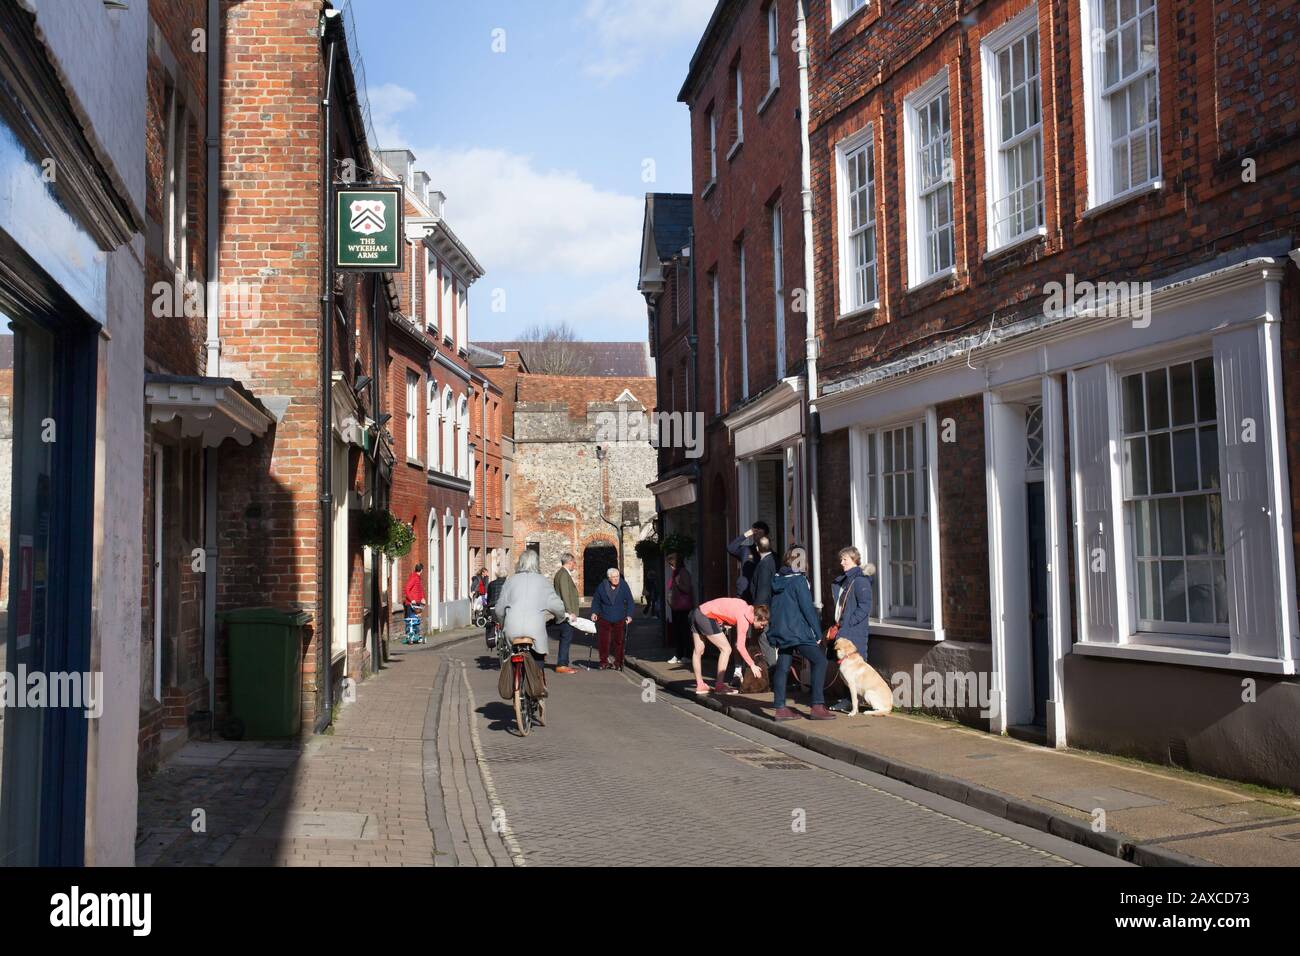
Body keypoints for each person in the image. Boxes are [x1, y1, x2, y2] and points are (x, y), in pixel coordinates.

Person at [494, 550, 572, 707]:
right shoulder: (542, 581)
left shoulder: (510, 581)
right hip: (534, 630)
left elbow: (499, 609)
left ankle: (517, 680)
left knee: (513, 652)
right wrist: (560, 618)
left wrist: (503, 623)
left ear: (519, 563)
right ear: (536, 564)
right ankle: (538, 687)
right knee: (537, 655)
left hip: (512, 629)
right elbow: (557, 606)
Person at [767, 547, 835, 721]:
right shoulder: (799, 580)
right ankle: (817, 706)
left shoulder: (777, 578)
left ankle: (780, 709)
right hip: (797, 631)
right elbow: (807, 608)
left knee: (782, 667)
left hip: (780, 630)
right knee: (820, 660)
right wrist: (818, 632)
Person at [690, 597, 768, 696]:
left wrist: (723, 621)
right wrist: (752, 665)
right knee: (726, 649)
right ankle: (719, 686)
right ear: (756, 617)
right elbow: (740, 646)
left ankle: (700, 685)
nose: (762, 627)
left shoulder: (745, 606)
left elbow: (726, 608)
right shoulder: (744, 620)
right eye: (762, 624)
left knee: (698, 651)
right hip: (706, 616)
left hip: (698, 612)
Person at [829, 546, 874, 713]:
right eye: (841, 560)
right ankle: (847, 699)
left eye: (845, 559)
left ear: (854, 560)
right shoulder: (847, 579)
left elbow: (864, 607)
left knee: (852, 669)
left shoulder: (860, 580)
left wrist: (848, 622)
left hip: (854, 632)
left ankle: (850, 701)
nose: (841, 563)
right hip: (845, 630)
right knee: (845, 668)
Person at [591, 566, 634, 670]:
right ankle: (603, 662)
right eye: (614, 577)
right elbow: (596, 600)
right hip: (605, 618)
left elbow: (630, 601)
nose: (616, 579)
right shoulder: (602, 586)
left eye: (618, 576)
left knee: (619, 641)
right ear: (609, 578)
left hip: (619, 618)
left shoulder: (623, 585)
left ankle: (618, 662)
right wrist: (594, 612)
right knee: (604, 641)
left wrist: (629, 615)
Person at [551, 553, 580, 675]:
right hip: (565, 613)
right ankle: (562, 664)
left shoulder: (563, 574)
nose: (575, 564)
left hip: (564, 612)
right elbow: (565, 594)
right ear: (568, 562)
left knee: (566, 637)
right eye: (574, 562)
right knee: (566, 637)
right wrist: (570, 612)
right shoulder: (563, 574)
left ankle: (564, 663)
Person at [726, 520, 770, 602]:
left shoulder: (770, 555)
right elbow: (731, 548)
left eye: (761, 534)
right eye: (756, 534)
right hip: (744, 591)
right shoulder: (746, 550)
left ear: (766, 536)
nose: (758, 536)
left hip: (760, 592)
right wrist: (747, 534)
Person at [665, 552, 694, 665]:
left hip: (683, 607)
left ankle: (686, 655)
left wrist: (678, 583)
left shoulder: (683, 573)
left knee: (684, 632)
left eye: (671, 564)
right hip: (676, 606)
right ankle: (678, 654)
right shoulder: (676, 573)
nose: (670, 566)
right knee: (677, 632)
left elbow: (687, 589)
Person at [485, 567, 508, 651]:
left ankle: (496, 636)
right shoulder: (509, 584)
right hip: (505, 608)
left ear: (496, 575)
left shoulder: (491, 584)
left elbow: (488, 598)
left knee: (495, 622)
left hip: (493, 608)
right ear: (506, 575)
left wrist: (487, 608)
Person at [403, 563, 426, 645]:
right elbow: (407, 589)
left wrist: (423, 598)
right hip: (411, 604)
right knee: (411, 620)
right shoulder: (414, 578)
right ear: (421, 570)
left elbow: (420, 589)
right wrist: (411, 599)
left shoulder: (418, 578)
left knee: (416, 620)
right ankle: (410, 638)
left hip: (417, 604)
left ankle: (416, 636)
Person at [751, 535, 776, 608]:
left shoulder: (765, 564)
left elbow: (763, 590)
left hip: (763, 607)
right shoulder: (770, 559)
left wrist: (759, 609)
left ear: (757, 548)